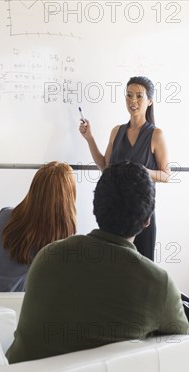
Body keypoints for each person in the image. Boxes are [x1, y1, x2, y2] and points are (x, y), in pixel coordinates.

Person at [5, 161, 188, 363]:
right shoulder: (157, 283)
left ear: (94, 208)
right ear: (147, 220)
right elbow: (179, 347)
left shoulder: (48, 256)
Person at [79, 76, 169, 261]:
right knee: (113, 268)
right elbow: (105, 166)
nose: (133, 101)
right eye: (128, 95)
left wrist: (140, 171)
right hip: (114, 214)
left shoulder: (156, 134)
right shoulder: (116, 131)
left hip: (142, 217)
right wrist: (89, 138)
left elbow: (166, 175)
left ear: (150, 101)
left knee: (142, 270)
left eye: (139, 96)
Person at [0, 162, 77, 292]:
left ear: (34, 188)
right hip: (11, 306)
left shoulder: (5, 215)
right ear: (68, 197)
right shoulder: (63, 237)